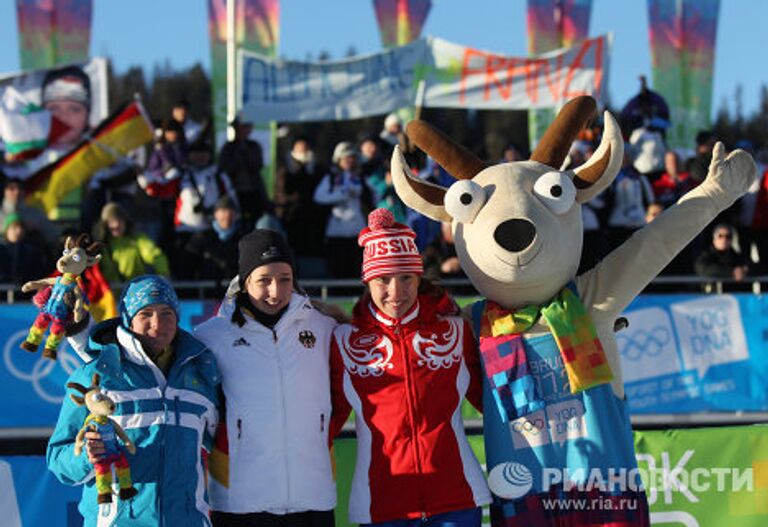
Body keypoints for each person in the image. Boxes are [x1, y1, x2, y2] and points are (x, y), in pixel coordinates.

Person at [329, 209, 490, 526]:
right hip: (383, 506)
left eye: (406, 278)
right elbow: (323, 422)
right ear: (368, 282)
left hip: (457, 499)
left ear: (419, 278)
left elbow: (493, 403)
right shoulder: (344, 342)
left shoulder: (455, 332)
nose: (395, 291)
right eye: (383, 280)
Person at [47, 275, 221, 526]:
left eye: (167, 313)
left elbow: (223, 445)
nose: (157, 323)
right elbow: (58, 459)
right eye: (145, 314)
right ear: (128, 320)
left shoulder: (200, 373)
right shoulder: (98, 375)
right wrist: (86, 456)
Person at [194, 229, 338, 527]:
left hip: (312, 493)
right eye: (264, 280)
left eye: (285, 279)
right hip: (241, 499)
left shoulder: (324, 328)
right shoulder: (212, 336)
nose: (276, 291)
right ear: (245, 282)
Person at [313, 141, 371, 278]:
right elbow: (318, 197)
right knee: (338, 270)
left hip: (358, 232)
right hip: (336, 232)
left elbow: (374, 196)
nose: (350, 161)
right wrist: (342, 195)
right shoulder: (331, 178)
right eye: (346, 158)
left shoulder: (361, 177)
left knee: (357, 269)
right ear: (338, 160)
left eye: (353, 158)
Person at [274, 137, 328, 276]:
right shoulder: (286, 170)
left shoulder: (318, 170)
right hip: (291, 219)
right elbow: (280, 194)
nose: (304, 152)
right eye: (300, 149)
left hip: (313, 221)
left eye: (306, 149)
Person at [95, 202, 170, 284]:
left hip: (136, 292)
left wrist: (163, 275)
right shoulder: (101, 246)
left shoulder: (138, 240)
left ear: (126, 222)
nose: (116, 225)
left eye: (119, 220)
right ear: (105, 225)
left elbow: (155, 255)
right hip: (110, 294)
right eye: (111, 221)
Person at [216, 116, 270, 229]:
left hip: (253, 190)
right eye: (241, 127)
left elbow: (257, 166)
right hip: (235, 191)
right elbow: (224, 169)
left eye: (246, 127)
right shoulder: (228, 147)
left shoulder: (254, 146)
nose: (243, 130)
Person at [185, 196, 244, 284]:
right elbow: (188, 266)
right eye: (223, 211)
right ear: (215, 214)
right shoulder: (201, 238)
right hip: (206, 289)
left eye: (230, 211)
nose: (227, 215)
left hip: (233, 290)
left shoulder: (243, 238)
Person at [694, 223, 751, 292]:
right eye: (720, 236)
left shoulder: (736, 256)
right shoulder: (706, 256)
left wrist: (745, 271)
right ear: (714, 239)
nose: (724, 239)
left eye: (728, 236)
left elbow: (754, 266)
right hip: (710, 297)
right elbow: (704, 269)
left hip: (734, 297)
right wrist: (731, 273)